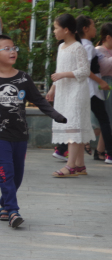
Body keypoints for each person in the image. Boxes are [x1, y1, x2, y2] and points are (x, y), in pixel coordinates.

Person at [0, 35, 67, 227]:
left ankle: (4, 204)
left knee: (17, 174)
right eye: (6, 48)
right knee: (5, 170)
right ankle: (13, 211)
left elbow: (38, 100)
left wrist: (55, 115)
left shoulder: (23, 77)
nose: (12, 51)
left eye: (13, 47)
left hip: (20, 135)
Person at [47, 14, 94, 178]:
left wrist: (63, 75)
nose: (54, 31)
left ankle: (70, 165)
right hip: (64, 93)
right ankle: (80, 165)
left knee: (73, 127)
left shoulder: (78, 47)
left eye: (56, 28)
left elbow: (84, 71)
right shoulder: (61, 47)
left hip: (76, 93)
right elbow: (60, 70)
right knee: (74, 127)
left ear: (66, 30)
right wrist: (53, 88)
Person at [76, 16, 112, 162]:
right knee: (103, 121)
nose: (95, 29)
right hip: (92, 88)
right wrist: (101, 82)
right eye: (92, 26)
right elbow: (86, 69)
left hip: (90, 88)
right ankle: (108, 152)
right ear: (85, 29)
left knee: (91, 120)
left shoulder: (82, 46)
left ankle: (63, 149)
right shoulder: (90, 47)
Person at [96, 23, 112, 164]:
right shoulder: (98, 50)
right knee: (105, 120)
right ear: (108, 37)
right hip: (104, 85)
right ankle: (106, 152)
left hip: (108, 85)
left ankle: (100, 151)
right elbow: (105, 67)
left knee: (107, 121)